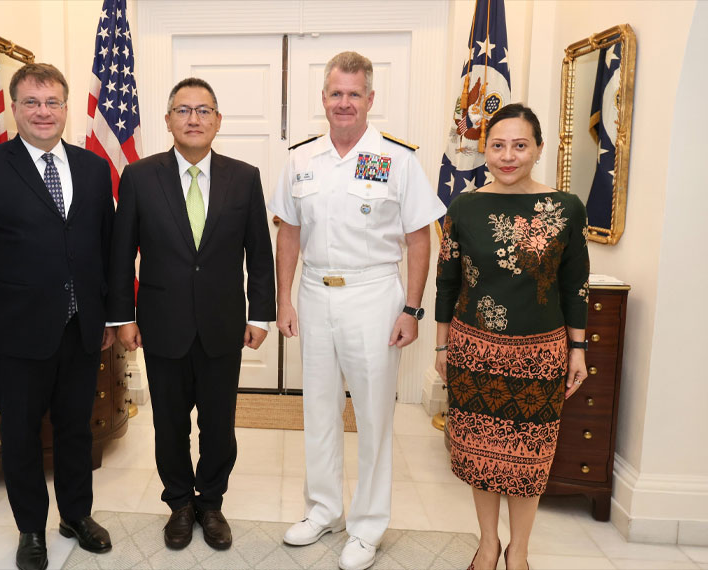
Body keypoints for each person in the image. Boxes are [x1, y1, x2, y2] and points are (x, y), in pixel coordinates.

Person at [269, 51, 447, 570]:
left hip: (374, 295)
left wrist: (411, 308)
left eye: (354, 93)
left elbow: (419, 240)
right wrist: (284, 297)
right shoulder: (302, 158)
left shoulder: (398, 159)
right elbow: (289, 233)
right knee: (318, 409)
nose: (344, 102)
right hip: (315, 292)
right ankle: (322, 509)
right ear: (323, 98)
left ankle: (367, 526)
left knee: (372, 416)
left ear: (371, 99)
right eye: (335, 93)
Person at [0, 63, 115, 570]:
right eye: (32, 103)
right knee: (19, 435)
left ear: (67, 108)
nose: (44, 112)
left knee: (75, 430)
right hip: (13, 335)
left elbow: (104, 249)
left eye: (53, 103)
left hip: (80, 329)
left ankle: (76, 515)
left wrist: (107, 318)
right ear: (15, 109)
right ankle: (30, 530)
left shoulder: (92, 168)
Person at [107, 77, 275, 552]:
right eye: (184, 110)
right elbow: (122, 256)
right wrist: (122, 317)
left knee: (219, 425)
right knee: (170, 424)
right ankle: (180, 503)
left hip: (224, 326)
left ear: (218, 121)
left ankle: (211, 502)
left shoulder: (245, 177)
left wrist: (259, 315)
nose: (194, 119)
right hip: (161, 325)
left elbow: (259, 255)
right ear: (168, 121)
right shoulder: (140, 176)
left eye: (204, 111)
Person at [434, 103, 590, 570]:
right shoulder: (464, 207)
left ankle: (518, 551)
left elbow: (575, 285)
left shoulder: (565, 208)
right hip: (473, 352)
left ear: (539, 149)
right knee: (480, 457)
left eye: (519, 145)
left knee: (529, 460)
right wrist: (442, 347)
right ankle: (487, 544)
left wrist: (577, 349)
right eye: (497, 145)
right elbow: (447, 282)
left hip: (540, 356)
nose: (508, 156)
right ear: (484, 150)